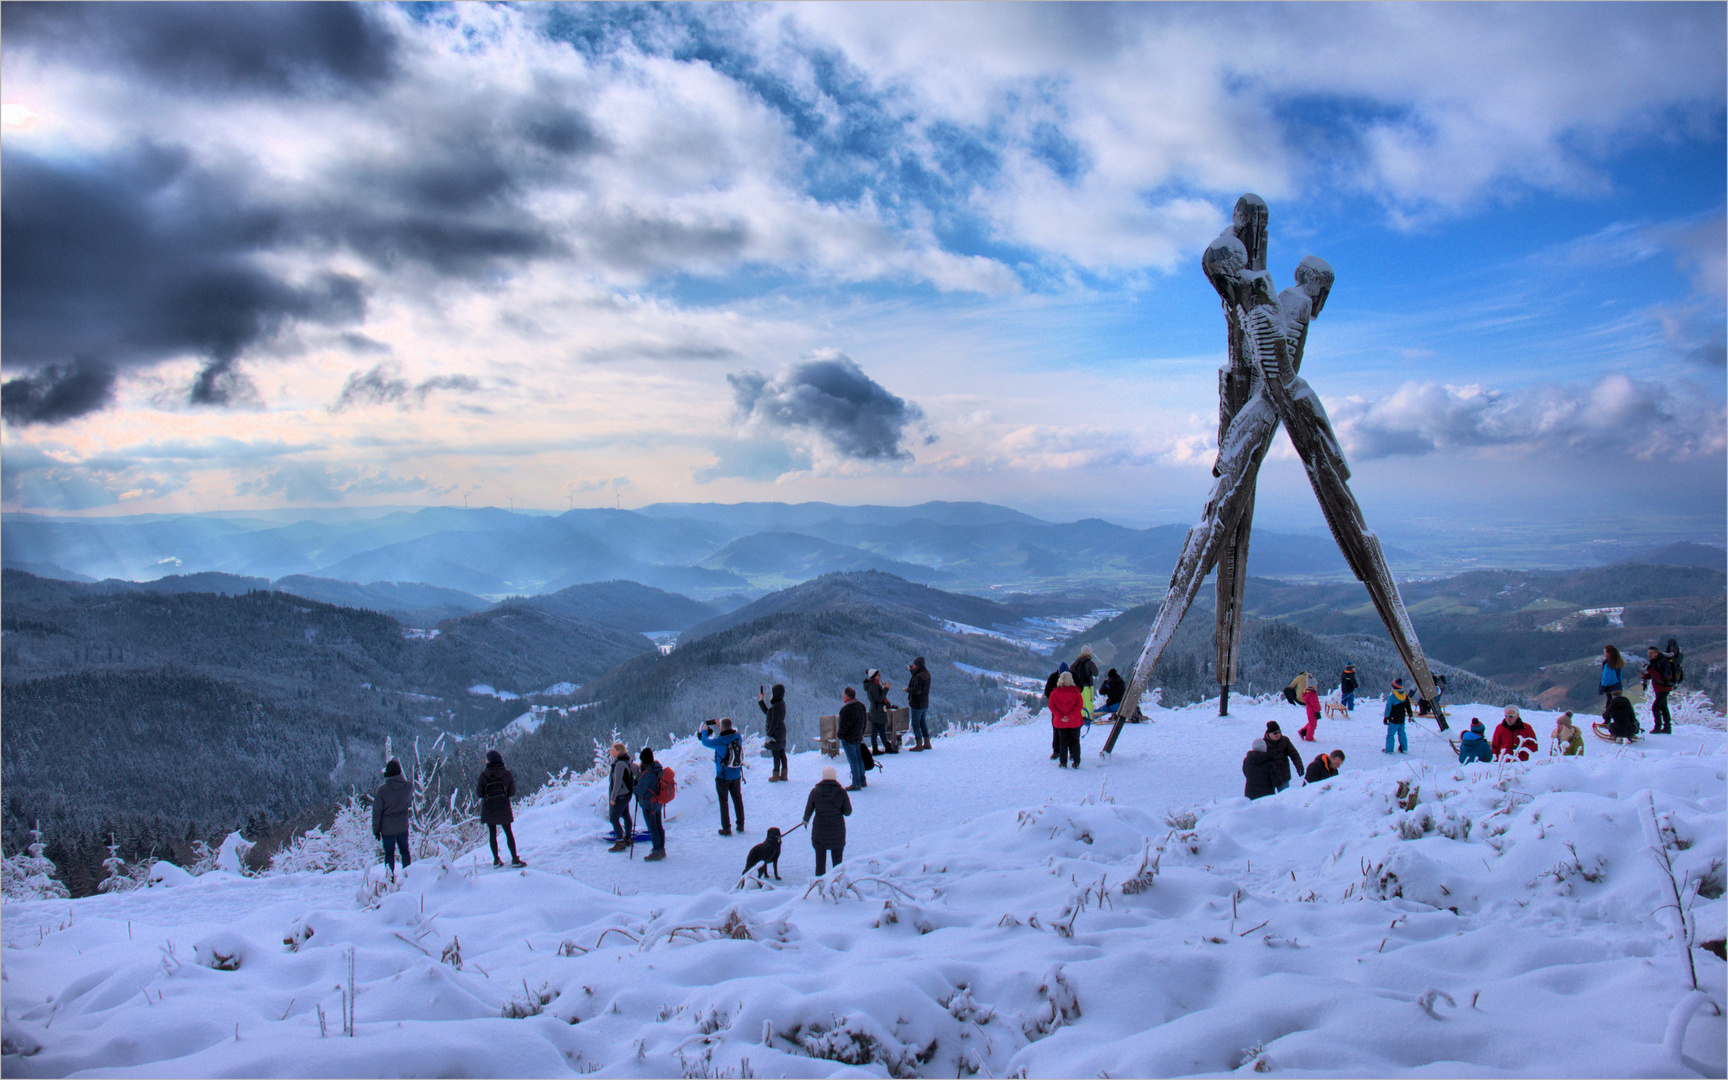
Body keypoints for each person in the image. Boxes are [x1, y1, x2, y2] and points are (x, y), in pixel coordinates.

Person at [698, 717, 745, 836]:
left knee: (724, 802)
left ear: (722, 728)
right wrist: (721, 725)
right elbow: (731, 733)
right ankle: (740, 825)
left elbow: (705, 741)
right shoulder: (738, 737)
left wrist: (704, 730)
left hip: (723, 776)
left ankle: (726, 829)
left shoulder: (719, 742)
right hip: (736, 775)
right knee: (737, 799)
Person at [477, 749, 524, 867]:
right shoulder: (506, 774)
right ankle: (514, 859)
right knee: (508, 833)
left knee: (492, 834)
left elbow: (479, 794)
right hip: (503, 807)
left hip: (489, 809)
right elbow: (512, 792)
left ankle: (496, 860)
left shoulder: (484, 775)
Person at [802, 765, 852, 875]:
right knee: (837, 864)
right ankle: (837, 885)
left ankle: (820, 886)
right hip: (837, 832)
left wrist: (805, 820)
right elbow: (848, 812)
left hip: (820, 832)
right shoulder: (841, 792)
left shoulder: (815, 792)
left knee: (820, 864)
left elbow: (809, 809)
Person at [372, 758, 413, 879]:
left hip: (387, 829)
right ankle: (407, 876)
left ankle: (389, 879)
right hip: (402, 826)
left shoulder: (382, 791)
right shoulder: (408, 787)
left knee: (389, 854)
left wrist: (376, 830)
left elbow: (377, 813)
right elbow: (410, 798)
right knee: (405, 851)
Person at [634, 747, 666, 861]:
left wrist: (635, 787)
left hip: (649, 804)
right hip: (658, 802)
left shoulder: (647, 773)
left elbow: (640, 790)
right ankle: (661, 849)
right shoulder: (657, 768)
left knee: (652, 828)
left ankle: (657, 851)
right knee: (658, 827)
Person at [1049, 671, 1085, 768]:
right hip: (1075, 721)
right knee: (1075, 741)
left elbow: (1052, 707)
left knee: (1063, 742)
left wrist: (1061, 717)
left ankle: (1063, 762)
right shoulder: (1076, 693)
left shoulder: (1054, 693)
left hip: (1060, 722)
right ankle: (1076, 761)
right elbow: (1079, 706)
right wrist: (1070, 717)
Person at [837, 687, 868, 791]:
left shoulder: (845, 710)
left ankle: (856, 783)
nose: (842, 696)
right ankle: (862, 780)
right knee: (859, 759)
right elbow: (864, 721)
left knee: (853, 760)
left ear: (846, 696)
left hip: (848, 738)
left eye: (843, 695)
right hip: (858, 736)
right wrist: (862, 733)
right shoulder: (861, 706)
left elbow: (843, 726)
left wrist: (840, 735)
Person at [758, 684, 789, 780]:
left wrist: (769, 734)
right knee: (782, 753)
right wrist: (761, 700)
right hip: (781, 731)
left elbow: (774, 722)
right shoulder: (781, 703)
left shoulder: (776, 706)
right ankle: (784, 775)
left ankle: (776, 776)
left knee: (776, 754)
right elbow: (768, 713)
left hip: (776, 733)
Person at [1641, 646, 1674, 735]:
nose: (1649, 655)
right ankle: (1667, 727)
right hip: (1660, 688)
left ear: (1656, 653)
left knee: (1655, 707)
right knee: (1663, 707)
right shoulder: (1655, 662)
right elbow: (1654, 675)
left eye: (1651, 653)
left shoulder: (1663, 662)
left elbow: (1660, 677)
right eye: (1648, 653)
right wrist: (1645, 676)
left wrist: (1649, 669)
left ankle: (1658, 727)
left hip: (1663, 688)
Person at [1262, 721, 1303, 791]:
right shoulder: (1263, 743)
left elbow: (1294, 754)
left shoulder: (1285, 740)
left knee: (1284, 797)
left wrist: (1300, 767)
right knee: (1270, 799)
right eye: (1275, 733)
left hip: (1283, 775)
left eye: (1279, 732)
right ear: (1269, 734)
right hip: (1269, 777)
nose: (1278, 734)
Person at [905, 657, 933, 752]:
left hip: (917, 703)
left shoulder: (919, 676)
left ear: (918, 665)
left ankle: (919, 744)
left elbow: (916, 690)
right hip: (924, 703)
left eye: (915, 664)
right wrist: (912, 670)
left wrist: (907, 690)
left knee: (915, 724)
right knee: (923, 723)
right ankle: (927, 742)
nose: (914, 665)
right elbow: (916, 678)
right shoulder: (926, 673)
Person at [864, 669, 894, 754]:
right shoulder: (874, 686)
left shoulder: (871, 685)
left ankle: (875, 748)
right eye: (878, 675)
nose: (880, 676)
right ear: (874, 676)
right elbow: (880, 698)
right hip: (878, 711)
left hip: (874, 710)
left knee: (875, 730)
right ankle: (887, 747)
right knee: (881, 730)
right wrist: (886, 689)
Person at [1045, 661, 1070, 759]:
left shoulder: (1072, 676)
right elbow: (1047, 692)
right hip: (1057, 709)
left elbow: (1078, 689)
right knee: (1056, 729)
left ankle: (1071, 751)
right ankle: (1057, 751)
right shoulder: (1052, 678)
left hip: (1069, 709)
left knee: (1071, 729)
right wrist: (1055, 701)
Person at [1383, 679, 1412, 754]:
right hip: (1402, 719)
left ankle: (1389, 750)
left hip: (1393, 719)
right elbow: (1408, 707)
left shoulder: (1392, 697)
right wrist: (1410, 715)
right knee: (1402, 733)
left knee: (1391, 734)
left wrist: (1386, 717)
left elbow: (1388, 708)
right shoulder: (1405, 696)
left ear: (1393, 687)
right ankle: (1404, 748)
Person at [1071, 645, 1099, 719]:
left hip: (1079, 686)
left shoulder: (1076, 662)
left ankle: (1082, 717)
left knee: (1081, 702)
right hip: (1088, 686)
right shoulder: (1090, 663)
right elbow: (1095, 673)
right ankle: (1090, 717)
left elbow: (1071, 670)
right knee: (1089, 701)